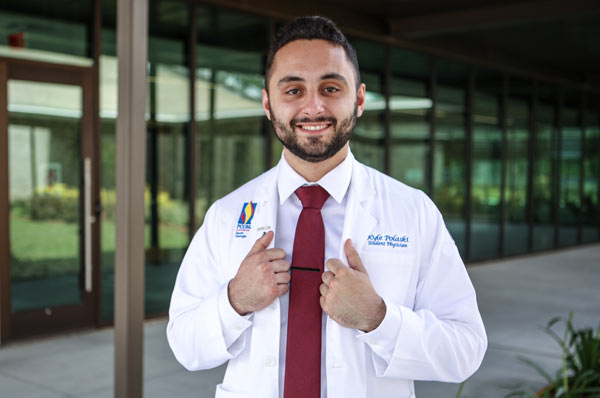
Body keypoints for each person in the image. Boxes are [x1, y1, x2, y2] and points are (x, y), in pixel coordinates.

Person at [167, 16, 487, 398]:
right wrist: (235, 300)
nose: (313, 107)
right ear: (268, 104)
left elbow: (465, 348)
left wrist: (378, 319)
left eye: (331, 87)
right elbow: (185, 346)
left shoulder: (413, 212)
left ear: (360, 99)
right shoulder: (227, 214)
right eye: (293, 90)